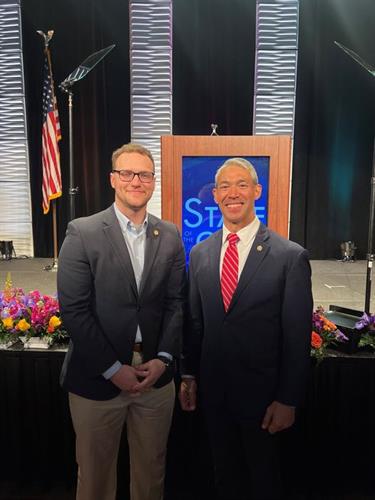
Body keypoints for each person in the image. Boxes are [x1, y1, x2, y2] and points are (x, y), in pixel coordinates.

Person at [57, 143, 186, 500]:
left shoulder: (171, 235)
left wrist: (164, 360)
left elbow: (176, 303)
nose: (136, 181)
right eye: (127, 173)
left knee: (151, 476)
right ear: (113, 179)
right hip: (96, 381)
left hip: (155, 381)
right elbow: (74, 311)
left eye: (144, 174)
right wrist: (114, 369)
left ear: (153, 182)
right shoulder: (82, 233)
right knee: (95, 481)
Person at [179, 157, 313, 500]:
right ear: (215, 195)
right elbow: (196, 323)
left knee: (264, 482)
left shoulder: (289, 257)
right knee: (224, 479)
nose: (232, 193)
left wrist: (287, 399)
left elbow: (297, 338)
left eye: (241, 184)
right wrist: (190, 375)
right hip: (214, 396)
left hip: (264, 402)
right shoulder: (201, 253)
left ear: (257, 191)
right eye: (224, 186)